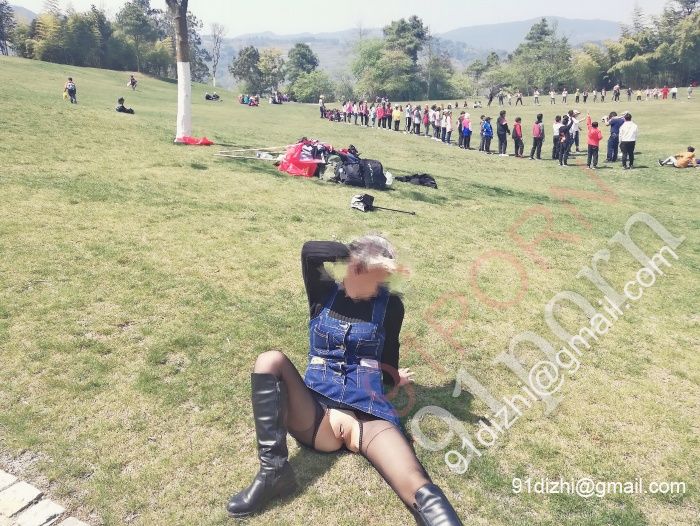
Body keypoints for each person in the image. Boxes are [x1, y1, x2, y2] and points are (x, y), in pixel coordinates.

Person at [226, 236, 464, 525]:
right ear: (353, 267)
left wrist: (393, 377)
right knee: (269, 360)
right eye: (369, 275)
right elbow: (310, 252)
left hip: (369, 414)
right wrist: (359, 255)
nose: (374, 287)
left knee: (420, 487)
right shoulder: (323, 291)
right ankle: (273, 473)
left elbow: (389, 351)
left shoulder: (390, 306)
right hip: (316, 411)